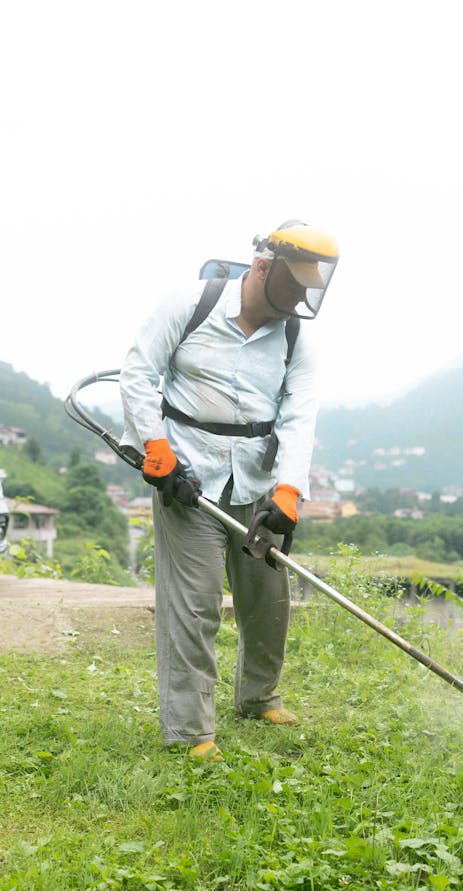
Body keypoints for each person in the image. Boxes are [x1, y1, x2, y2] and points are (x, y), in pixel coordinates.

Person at [119, 220, 339, 761]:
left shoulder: (295, 338)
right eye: (293, 284)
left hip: (258, 485)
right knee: (194, 608)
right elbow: (138, 373)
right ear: (263, 267)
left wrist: (289, 491)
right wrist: (155, 446)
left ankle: (259, 696)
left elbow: (299, 418)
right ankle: (193, 733)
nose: (300, 297)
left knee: (268, 600)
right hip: (187, 481)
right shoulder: (189, 305)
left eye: (310, 287)